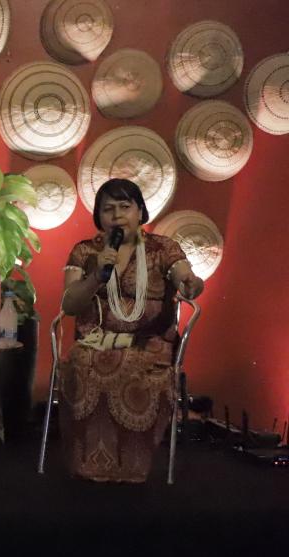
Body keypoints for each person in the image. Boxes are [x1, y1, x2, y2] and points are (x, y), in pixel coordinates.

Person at [58, 178, 205, 483]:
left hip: (149, 343)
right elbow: (70, 305)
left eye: (125, 206)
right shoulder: (85, 251)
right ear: (99, 216)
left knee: (135, 363)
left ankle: (133, 467)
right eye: (108, 208)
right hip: (96, 341)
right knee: (83, 361)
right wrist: (95, 277)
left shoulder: (163, 248)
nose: (117, 215)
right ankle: (89, 465)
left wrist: (191, 283)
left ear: (140, 211)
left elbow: (185, 276)